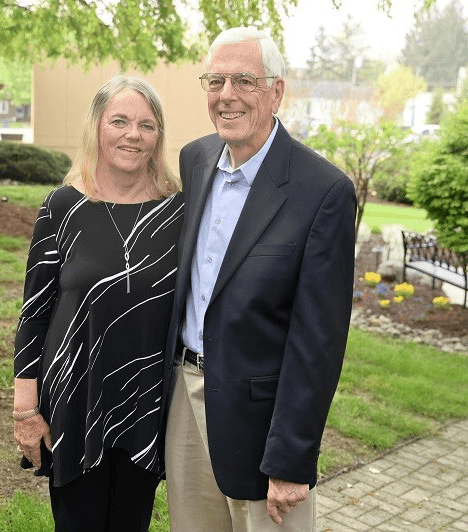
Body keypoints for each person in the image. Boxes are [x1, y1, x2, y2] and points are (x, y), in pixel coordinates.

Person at [161, 27, 357, 531]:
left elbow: (319, 340)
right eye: (216, 81)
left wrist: (291, 460)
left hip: (261, 423)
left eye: (244, 81)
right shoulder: (197, 159)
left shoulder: (322, 190)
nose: (226, 96)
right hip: (184, 396)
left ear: (276, 92)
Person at [13, 74, 184, 532]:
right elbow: (35, 312)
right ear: (96, 127)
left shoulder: (180, 213)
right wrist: (25, 410)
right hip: (74, 400)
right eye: (120, 121)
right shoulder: (62, 207)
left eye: (147, 125)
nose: (133, 135)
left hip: (146, 406)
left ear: (159, 136)